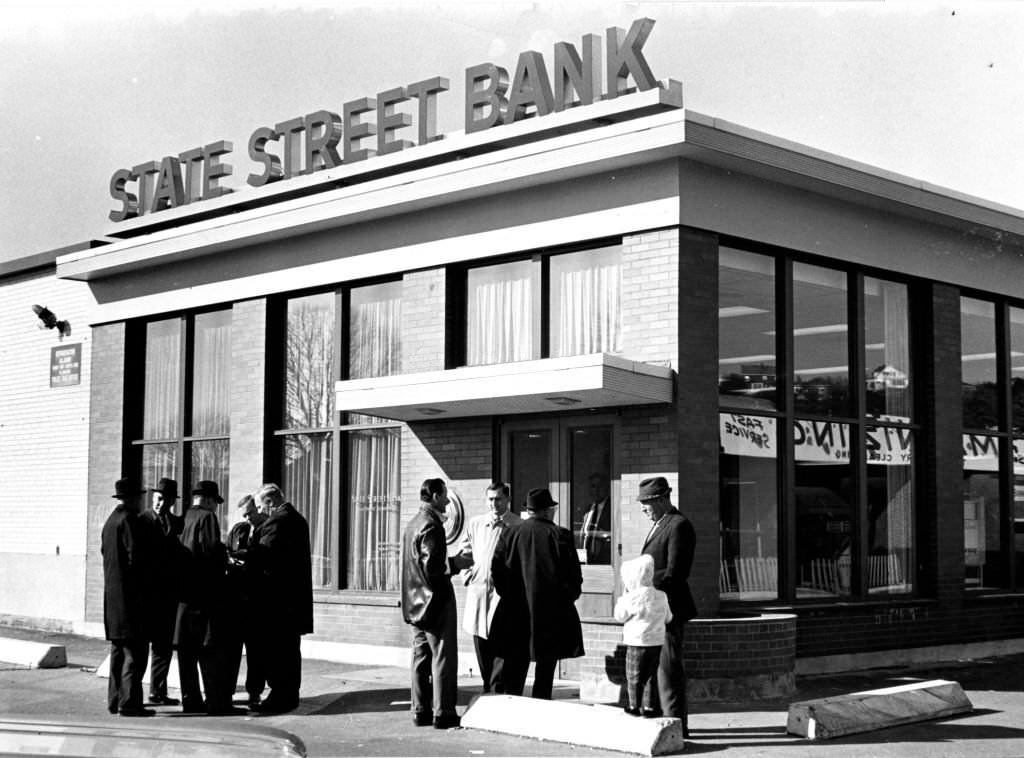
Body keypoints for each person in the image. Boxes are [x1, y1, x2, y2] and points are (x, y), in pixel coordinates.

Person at [490, 487, 584, 700]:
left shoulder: (510, 533)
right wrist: (564, 599)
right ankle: (540, 706)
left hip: (515, 612)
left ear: (529, 510)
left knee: (515, 662)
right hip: (551, 613)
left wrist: (509, 596)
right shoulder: (560, 535)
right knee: (546, 666)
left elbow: (497, 570)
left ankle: (511, 703)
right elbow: (574, 578)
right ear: (548, 510)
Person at [401, 478, 466, 729]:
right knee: (442, 658)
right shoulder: (431, 525)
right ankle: (444, 712)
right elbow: (434, 568)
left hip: (414, 603)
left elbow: (415, 565)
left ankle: (420, 710)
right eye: (445, 495)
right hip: (435, 602)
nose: (448, 500)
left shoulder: (412, 524)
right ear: (436, 496)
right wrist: (457, 563)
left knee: (420, 658)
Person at [174, 479, 241, 716]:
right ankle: (217, 703)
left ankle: (191, 701)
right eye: (216, 503)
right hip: (204, 599)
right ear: (210, 500)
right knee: (210, 655)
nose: (216, 508)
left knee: (187, 656)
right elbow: (212, 553)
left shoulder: (183, 518)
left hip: (184, 600)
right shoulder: (207, 518)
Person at [638, 476, 696, 734]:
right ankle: (661, 721)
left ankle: (676, 725)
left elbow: (675, 572)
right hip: (654, 609)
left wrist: (643, 582)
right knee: (656, 668)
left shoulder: (678, 525)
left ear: (662, 499)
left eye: (647, 503)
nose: (643, 508)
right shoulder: (660, 524)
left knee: (669, 670)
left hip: (669, 608)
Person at [249, 483, 313, 714]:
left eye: (259, 506)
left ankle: (280, 696)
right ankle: (290, 694)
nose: (259, 511)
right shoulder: (297, 518)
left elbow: (263, 557)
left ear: (269, 502)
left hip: (277, 601)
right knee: (290, 650)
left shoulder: (277, 521)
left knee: (277, 651)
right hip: (293, 601)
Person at [456, 481, 521, 692]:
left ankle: (495, 693)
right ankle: (488, 688)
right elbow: (463, 553)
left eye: (498, 499)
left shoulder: (517, 526)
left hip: (503, 599)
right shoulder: (476, 524)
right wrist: (469, 576)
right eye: (490, 499)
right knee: (482, 647)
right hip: (479, 596)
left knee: (501, 649)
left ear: (508, 500)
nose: (494, 503)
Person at [102, 476, 154, 717]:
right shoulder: (130, 521)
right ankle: (130, 702)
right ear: (134, 498)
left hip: (112, 600)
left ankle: (114, 700)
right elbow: (138, 559)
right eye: (141, 497)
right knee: (135, 653)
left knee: (118, 652)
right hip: (132, 600)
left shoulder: (110, 522)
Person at [139, 477, 183, 706]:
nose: (160, 504)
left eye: (165, 500)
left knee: (163, 647)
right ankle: (136, 694)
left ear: (171, 502)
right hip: (149, 595)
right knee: (142, 648)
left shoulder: (175, 522)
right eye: (157, 499)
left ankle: (158, 691)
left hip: (168, 596)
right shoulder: (143, 521)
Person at [224, 493, 268, 708]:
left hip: (257, 601)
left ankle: (254, 692)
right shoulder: (239, 529)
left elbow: (261, 558)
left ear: (258, 508)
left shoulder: (266, 530)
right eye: (244, 514)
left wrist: (243, 557)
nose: (248, 518)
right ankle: (227, 690)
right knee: (232, 650)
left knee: (256, 651)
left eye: (251, 513)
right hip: (235, 600)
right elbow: (226, 551)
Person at [614, 554, 672, 716]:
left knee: (634, 675)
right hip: (656, 642)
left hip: (636, 642)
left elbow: (619, 616)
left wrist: (622, 598)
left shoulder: (631, 598)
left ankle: (634, 706)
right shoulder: (661, 596)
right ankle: (649, 707)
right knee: (651, 676)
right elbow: (669, 617)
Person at [579, 473, 612, 564]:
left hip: (605, 563)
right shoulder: (588, 510)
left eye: (600, 486)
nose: (596, 490)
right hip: (586, 562)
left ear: (607, 488)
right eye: (593, 486)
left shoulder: (612, 509)